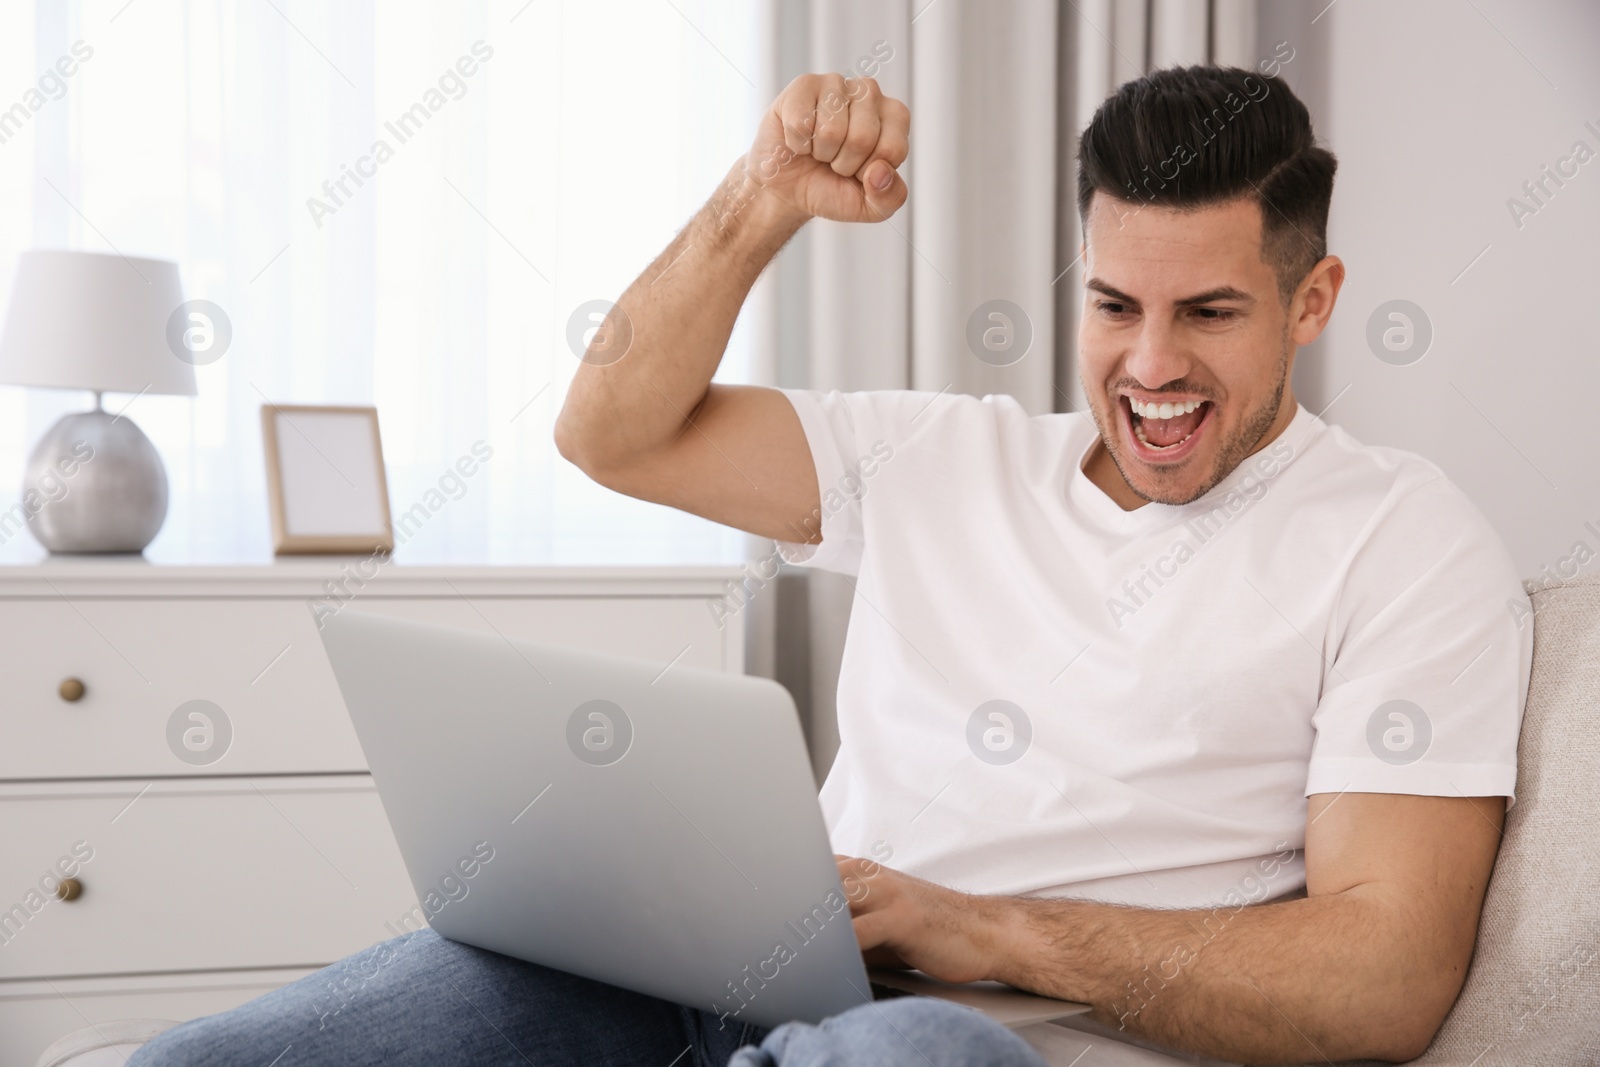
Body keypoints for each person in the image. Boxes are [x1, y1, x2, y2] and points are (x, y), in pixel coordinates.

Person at [132, 64, 1529, 1067]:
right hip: (706, 968)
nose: (1150, 366)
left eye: (1210, 312)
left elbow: (1382, 977)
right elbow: (611, 432)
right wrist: (759, 200)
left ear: (1315, 299)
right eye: (1114, 306)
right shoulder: (942, 455)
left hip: (965, 1032)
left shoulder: (1402, 542)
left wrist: (982, 929)